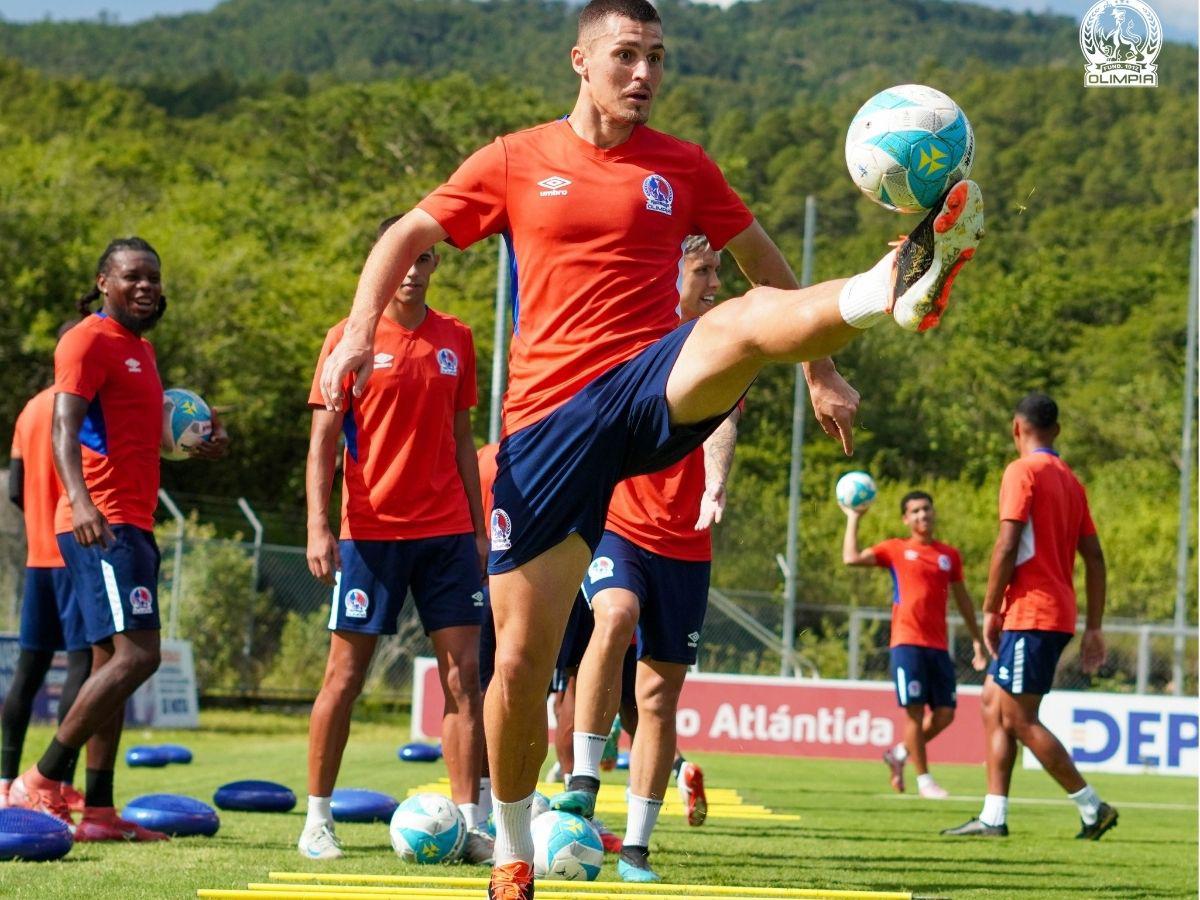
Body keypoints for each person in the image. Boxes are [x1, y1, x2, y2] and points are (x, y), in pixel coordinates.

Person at [318, 1, 984, 893]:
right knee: (515, 661)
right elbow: (408, 232)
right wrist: (362, 326)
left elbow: (763, 268)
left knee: (740, 322)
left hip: (648, 384)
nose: (644, 74)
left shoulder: (683, 166)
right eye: (626, 55)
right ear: (580, 61)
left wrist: (820, 370)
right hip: (547, 429)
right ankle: (513, 847)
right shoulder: (519, 158)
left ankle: (891, 280)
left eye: (657, 57)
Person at [9, 237, 227, 840]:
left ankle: (99, 812)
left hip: (134, 520)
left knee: (112, 662)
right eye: (133, 276)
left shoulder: (141, 350)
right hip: (100, 523)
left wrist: (199, 443)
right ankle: (42, 778)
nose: (146, 286)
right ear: (104, 281)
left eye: (153, 277)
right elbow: (64, 428)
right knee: (140, 654)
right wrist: (79, 501)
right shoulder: (84, 339)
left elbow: (139, 436)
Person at [299, 226, 492, 863]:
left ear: (435, 264)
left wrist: (477, 522)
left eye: (423, 258)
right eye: (400, 260)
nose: (411, 270)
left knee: (465, 679)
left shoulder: (457, 337)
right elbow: (323, 443)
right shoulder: (345, 338)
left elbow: (463, 438)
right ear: (381, 268)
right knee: (344, 677)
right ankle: (318, 820)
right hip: (370, 535)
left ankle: (469, 825)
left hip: (447, 536)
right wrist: (318, 526)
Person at [553, 235, 732, 881]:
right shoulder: (636, 338)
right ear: (672, 273)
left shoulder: (723, 342)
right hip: (621, 527)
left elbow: (725, 422)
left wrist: (715, 480)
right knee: (615, 615)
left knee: (657, 699)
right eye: (704, 271)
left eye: (718, 270)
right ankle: (581, 774)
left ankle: (636, 849)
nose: (715, 282)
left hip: (686, 545)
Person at [942, 392, 1117, 839]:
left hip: (1031, 613)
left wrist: (988, 609)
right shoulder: (1071, 481)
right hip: (1054, 612)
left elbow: (1006, 544)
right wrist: (1094, 625)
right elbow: (1095, 558)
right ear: (1055, 430)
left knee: (1019, 718)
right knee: (991, 705)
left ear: (1016, 428)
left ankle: (1092, 807)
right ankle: (993, 817)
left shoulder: (1022, 472)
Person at [841, 489, 988, 799]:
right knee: (915, 714)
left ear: (933, 513)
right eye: (916, 511)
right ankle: (925, 782)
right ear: (905, 519)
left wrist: (977, 640)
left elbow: (963, 600)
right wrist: (854, 518)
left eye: (926, 509)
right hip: (906, 643)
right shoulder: (895, 549)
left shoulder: (948, 556)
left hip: (937, 646)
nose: (923, 515)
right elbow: (851, 558)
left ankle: (898, 753)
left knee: (946, 714)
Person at [0, 339, 92, 813]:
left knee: (28, 673)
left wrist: (38, 521)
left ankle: (3, 777)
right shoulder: (83, 404)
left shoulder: (29, 410)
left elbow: (16, 487)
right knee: (84, 667)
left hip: (38, 554)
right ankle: (60, 783)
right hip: (76, 550)